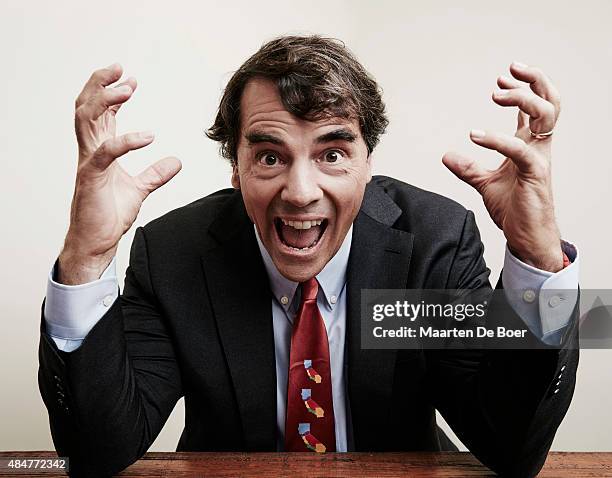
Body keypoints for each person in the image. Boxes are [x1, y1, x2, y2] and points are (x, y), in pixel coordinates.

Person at [38, 36, 579, 477]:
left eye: (333, 154)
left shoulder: (432, 243)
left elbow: (511, 449)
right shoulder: (174, 253)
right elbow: (97, 455)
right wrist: (85, 258)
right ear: (236, 168)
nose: (300, 191)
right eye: (270, 156)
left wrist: (537, 259)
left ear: (368, 163)